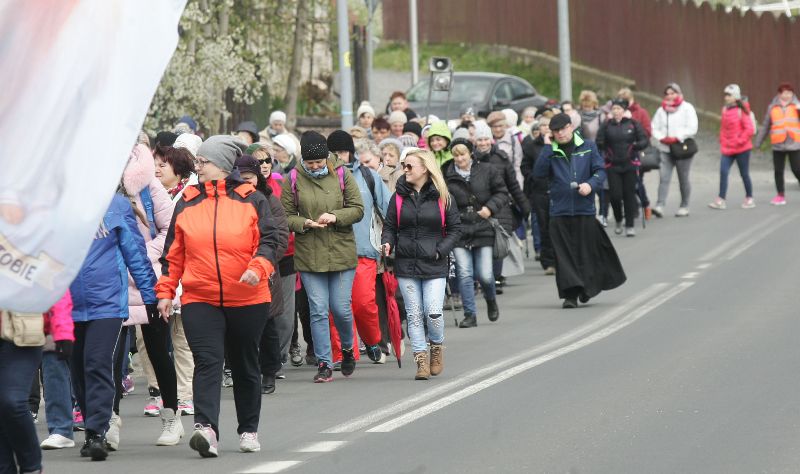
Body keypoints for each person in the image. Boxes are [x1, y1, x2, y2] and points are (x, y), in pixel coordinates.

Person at [156, 135, 281, 457]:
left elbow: (272, 239)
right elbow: (173, 253)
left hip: (248, 297)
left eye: (203, 162)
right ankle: (206, 429)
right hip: (201, 297)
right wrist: (166, 292)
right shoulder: (188, 200)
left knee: (244, 364)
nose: (197, 167)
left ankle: (248, 430)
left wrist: (259, 266)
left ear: (223, 166)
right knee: (208, 361)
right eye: (198, 162)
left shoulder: (252, 199)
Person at [70, 191, 159, 461]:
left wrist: (150, 296)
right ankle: (91, 427)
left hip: (106, 302)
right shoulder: (59, 203)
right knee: (78, 371)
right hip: (67, 304)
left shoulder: (115, 204)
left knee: (96, 362)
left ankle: (97, 432)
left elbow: (135, 252)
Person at [113, 144, 184, 449]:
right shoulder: (94, 184)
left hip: (147, 278)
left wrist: (141, 256)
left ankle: (172, 416)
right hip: (111, 278)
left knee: (158, 351)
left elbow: (170, 228)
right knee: (110, 356)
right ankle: (109, 419)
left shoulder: (148, 184)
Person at [280, 131, 364, 383]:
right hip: (309, 253)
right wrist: (303, 222)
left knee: (340, 309)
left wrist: (336, 216)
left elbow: (358, 209)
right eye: (310, 163)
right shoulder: (293, 178)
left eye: (319, 162)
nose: (315, 167)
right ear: (303, 160)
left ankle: (347, 349)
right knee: (317, 309)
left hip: (340, 249)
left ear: (326, 157)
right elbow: (284, 216)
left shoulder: (341, 173)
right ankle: (324, 362)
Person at [381, 149, 461, 380]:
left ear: (425, 169)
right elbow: (390, 227)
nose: (404, 170)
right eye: (403, 166)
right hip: (406, 263)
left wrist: (440, 251)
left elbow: (455, 230)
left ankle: (436, 346)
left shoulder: (443, 196)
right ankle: (421, 362)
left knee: (433, 313)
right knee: (414, 315)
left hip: (434, 262)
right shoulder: (398, 197)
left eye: (409, 166)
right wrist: (387, 243)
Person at [533, 113, 626, 308]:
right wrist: (547, 148)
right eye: (556, 131)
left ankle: (587, 289)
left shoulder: (588, 146)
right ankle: (570, 295)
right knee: (564, 256)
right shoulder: (550, 150)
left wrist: (590, 185)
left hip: (584, 209)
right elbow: (538, 174)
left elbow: (600, 171)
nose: (560, 134)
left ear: (571, 127)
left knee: (586, 253)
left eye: (563, 129)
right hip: (559, 210)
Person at [327, 132, 392, 365]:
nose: (338, 156)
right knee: (337, 308)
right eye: (333, 152)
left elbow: (388, 209)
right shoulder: (322, 179)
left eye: (342, 151)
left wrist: (391, 239)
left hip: (363, 250)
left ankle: (373, 341)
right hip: (332, 252)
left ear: (350, 152)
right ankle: (343, 355)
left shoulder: (368, 176)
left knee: (364, 304)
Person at [234, 155, 290, 394]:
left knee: (267, 324)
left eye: (249, 179)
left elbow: (279, 238)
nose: (246, 184)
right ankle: (247, 372)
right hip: (236, 271)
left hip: (264, 271)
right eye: (241, 179)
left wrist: (262, 263)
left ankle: (269, 371)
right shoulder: (232, 201)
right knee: (241, 328)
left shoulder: (270, 201)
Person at [0, 292, 74, 472]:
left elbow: (56, 287)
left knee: (12, 401)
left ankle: (31, 465)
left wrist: (63, 329)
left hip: (23, 334)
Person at [444, 139, 508, 328]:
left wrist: (490, 208)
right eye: (455, 155)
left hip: (482, 225)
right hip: (459, 227)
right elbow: (441, 198)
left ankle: (490, 299)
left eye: (463, 154)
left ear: (470, 153)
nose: (459, 158)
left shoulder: (487, 169)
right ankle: (470, 314)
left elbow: (502, 192)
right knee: (464, 273)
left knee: (486, 274)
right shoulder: (446, 172)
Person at [473, 121, 530, 292]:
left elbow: (513, 185)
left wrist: (524, 206)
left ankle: (496, 278)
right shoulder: (470, 160)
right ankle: (485, 278)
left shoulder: (502, 158)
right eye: (480, 140)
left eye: (486, 139)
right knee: (482, 244)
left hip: (501, 209)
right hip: (480, 209)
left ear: (491, 140)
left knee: (498, 244)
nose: (483, 143)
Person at [595, 99, 649, 236]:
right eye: (614, 109)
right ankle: (619, 219)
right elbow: (599, 141)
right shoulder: (607, 125)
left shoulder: (632, 123)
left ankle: (630, 225)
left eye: (619, 109)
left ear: (624, 110)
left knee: (629, 195)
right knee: (615, 196)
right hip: (612, 165)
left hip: (630, 164)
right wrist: (604, 147)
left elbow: (644, 140)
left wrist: (635, 146)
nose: (616, 111)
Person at [651, 82, 699, 217]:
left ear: (678, 93)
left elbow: (692, 127)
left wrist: (677, 137)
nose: (670, 96)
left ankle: (684, 205)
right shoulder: (661, 110)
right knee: (664, 177)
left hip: (682, 149)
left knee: (683, 177)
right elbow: (654, 126)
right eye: (667, 94)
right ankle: (660, 205)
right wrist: (661, 137)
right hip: (665, 149)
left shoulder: (687, 108)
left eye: (672, 93)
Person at [38, 292, 77, 451]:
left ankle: (98, 425)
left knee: (89, 371)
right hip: (46, 319)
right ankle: (61, 429)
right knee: (53, 371)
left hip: (94, 311)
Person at [709, 84, 756, 210]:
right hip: (728, 148)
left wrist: (739, 140)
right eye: (725, 95)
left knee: (744, 174)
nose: (726, 97)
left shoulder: (742, 110)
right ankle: (721, 199)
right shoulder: (725, 110)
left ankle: (749, 197)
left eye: (729, 95)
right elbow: (723, 128)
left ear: (735, 97)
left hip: (742, 149)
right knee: (723, 172)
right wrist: (722, 140)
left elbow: (749, 129)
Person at [754, 82, 800, 206]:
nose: (788, 95)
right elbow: (765, 126)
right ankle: (780, 195)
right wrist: (758, 142)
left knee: (797, 169)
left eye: (790, 93)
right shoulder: (772, 108)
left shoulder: (797, 106)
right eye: (785, 93)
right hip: (778, 144)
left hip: (794, 143)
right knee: (778, 171)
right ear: (780, 94)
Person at [521, 116, 556, 275]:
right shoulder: (531, 146)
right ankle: (548, 261)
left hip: (557, 190)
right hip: (539, 192)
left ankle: (561, 258)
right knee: (544, 227)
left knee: (558, 226)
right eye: (543, 125)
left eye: (549, 125)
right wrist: (533, 178)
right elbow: (525, 166)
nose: (546, 128)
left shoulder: (560, 143)